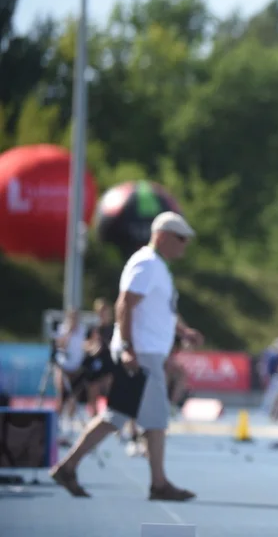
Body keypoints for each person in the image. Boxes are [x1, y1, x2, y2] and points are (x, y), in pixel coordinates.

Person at [49, 211, 203, 502]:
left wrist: (183, 330)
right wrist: (130, 347)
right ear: (162, 235)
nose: (185, 245)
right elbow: (125, 304)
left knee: (121, 416)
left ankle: (68, 466)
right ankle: (158, 483)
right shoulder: (146, 263)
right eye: (181, 238)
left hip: (146, 352)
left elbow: (162, 310)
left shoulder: (156, 266)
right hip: (142, 353)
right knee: (149, 418)